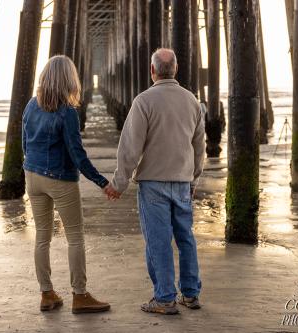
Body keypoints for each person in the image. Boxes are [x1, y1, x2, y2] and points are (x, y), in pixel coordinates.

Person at [105, 48, 206, 315]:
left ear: (152, 71)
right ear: (176, 68)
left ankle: (164, 298)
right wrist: (194, 178)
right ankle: (191, 294)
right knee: (185, 238)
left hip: (153, 183)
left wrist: (119, 183)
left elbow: (130, 148)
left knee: (158, 241)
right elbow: (199, 147)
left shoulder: (144, 101)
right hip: (183, 182)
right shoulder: (192, 101)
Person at [22, 55, 111, 314]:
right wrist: (102, 182)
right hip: (59, 178)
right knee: (75, 238)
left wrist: (29, 167)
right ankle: (80, 295)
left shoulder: (31, 105)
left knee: (42, 237)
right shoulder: (68, 112)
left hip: (32, 175)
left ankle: (46, 293)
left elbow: (25, 143)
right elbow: (77, 154)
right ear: (69, 79)